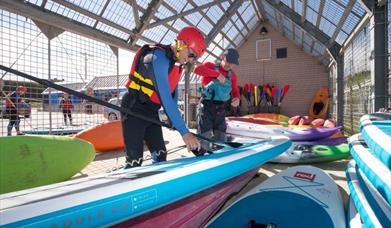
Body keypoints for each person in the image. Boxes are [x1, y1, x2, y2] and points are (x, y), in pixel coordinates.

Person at [121, 26, 206, 168]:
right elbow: (165, 98)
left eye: (195, 58)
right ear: (181, 44)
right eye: (192, 55)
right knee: (135, 160)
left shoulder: (177, 65)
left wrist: (174, 121)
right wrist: (184, 132)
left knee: (160, 154)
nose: (191, 60)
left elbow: (172, 95)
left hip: (151, 111)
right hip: (133, 108)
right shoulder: (157, 58)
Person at [194, 48, 240, 151]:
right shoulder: (210, 66)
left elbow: (235, 91)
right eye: (228, 61)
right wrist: (217, 74)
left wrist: (237, 99)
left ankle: (220, 154)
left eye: (232, 63)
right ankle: (201, 155)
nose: (230, 65)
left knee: (221, 136)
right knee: (204, 135)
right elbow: (196, 70)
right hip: (206, 107)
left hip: (220, 109)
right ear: (222, 57)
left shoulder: (232, 75)